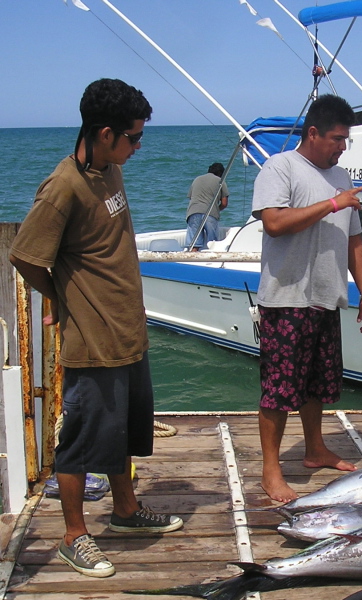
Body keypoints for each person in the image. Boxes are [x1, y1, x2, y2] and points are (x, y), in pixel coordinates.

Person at [9, 78, 183, 578]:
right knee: (82, 441)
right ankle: (74, 536)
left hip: (128, 331)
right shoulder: (64, 186)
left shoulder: (109, 170)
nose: (138, 146)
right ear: (105, 133)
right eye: (133, 137)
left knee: (122, 432)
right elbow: (25, 255)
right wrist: (63, 299)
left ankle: (126, 512)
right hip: (94, 339)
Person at [251, 94, 362, 503]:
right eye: (337, 139)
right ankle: (271, 471)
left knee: (317, 385)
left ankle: (314, 449)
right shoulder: (280, 166)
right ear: (313, 133)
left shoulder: (341, 177)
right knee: (279, 390)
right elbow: (273, 223)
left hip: (326, 297)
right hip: (286, 297)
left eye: (347, 140)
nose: (342, 147)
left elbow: (354, 238)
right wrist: (332, 203)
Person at [185, 162, 229, 250]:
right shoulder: (221, 181)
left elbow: (191, 197)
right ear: (221, 174)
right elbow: (224, 203)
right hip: (210, 214)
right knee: (213, 244)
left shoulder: (197, 179)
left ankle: (192, 260)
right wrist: (216, 209)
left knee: (194, 245)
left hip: (193, 212)